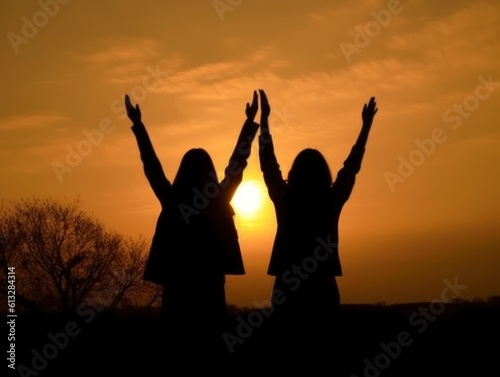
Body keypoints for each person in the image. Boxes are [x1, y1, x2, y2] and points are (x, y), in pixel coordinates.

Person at [124, 92, 260, 362]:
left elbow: (152, 167)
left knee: (178, 348)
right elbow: (236, 167)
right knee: (211, 348)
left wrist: (138, 125)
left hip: (178, 288)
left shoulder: (173, 200)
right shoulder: (218, 200)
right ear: (209, 173)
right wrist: (249, 124)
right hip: (209, 287)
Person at [257, 89, 378, 365]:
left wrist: (264, 122)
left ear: (294, 173)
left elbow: (267, 165)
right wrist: (366, 127)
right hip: (322, 286)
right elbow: (352, 167)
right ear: (324, 173)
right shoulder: (331, 199)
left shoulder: (285, 199)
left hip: (287, 285)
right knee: (324, 356)